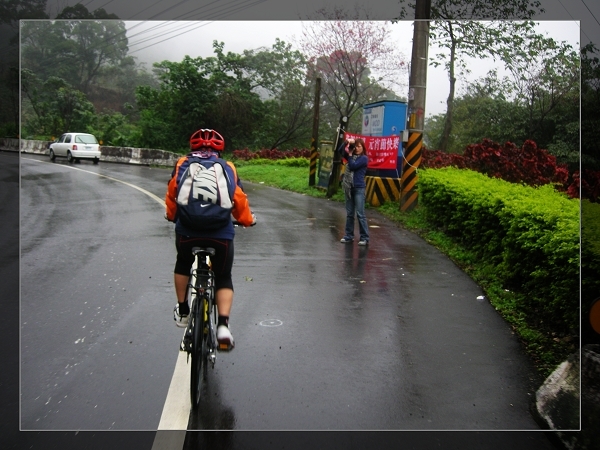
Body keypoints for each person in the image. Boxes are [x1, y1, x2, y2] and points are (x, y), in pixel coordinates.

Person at [164, 128, 255, 351]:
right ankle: (223, 325)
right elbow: (238, 198)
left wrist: (171, 215)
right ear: (220, 150)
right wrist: (246, 220)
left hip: (187, 232)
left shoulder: (182, 163)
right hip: (220, 235)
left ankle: (184, 310)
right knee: (223, 275)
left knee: (183, 263)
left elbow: (173, 193)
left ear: (193, 147)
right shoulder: (227, 167)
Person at [338, 137, 369, 245]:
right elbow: (340, 151)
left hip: (359, 188)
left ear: (363, 148)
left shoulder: (364, 158)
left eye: (359, 146)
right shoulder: (351, 156)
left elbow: (353, 166)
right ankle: (349, 236)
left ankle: (364, 237)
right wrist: (347, 142)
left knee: (360, 214)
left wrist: (350, 155)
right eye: (355, 146)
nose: (357, 148)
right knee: (350, 213)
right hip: (348, 188)